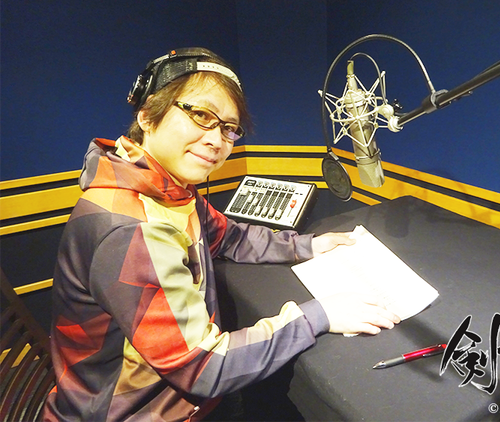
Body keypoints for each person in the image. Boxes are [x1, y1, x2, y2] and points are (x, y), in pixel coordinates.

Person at [43, 48, 400, 421]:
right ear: (147, 115)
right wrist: (319, 314)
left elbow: (229, 237)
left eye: (229, 128)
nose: (217, 140)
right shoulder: (131, 229)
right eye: (201, 115)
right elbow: (202, 366)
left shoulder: (167, 188)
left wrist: (307, 245)